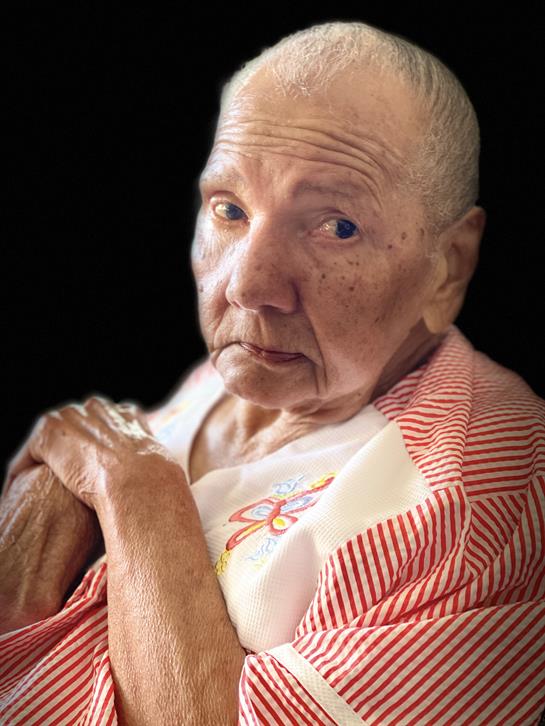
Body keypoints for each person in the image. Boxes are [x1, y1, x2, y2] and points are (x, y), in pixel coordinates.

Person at [1, 19, 544, 725]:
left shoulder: (483, 486)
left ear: (449, 267)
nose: (248, 284)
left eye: (336, 226)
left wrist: (132, 488)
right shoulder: (250, 376)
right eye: (229, 210)